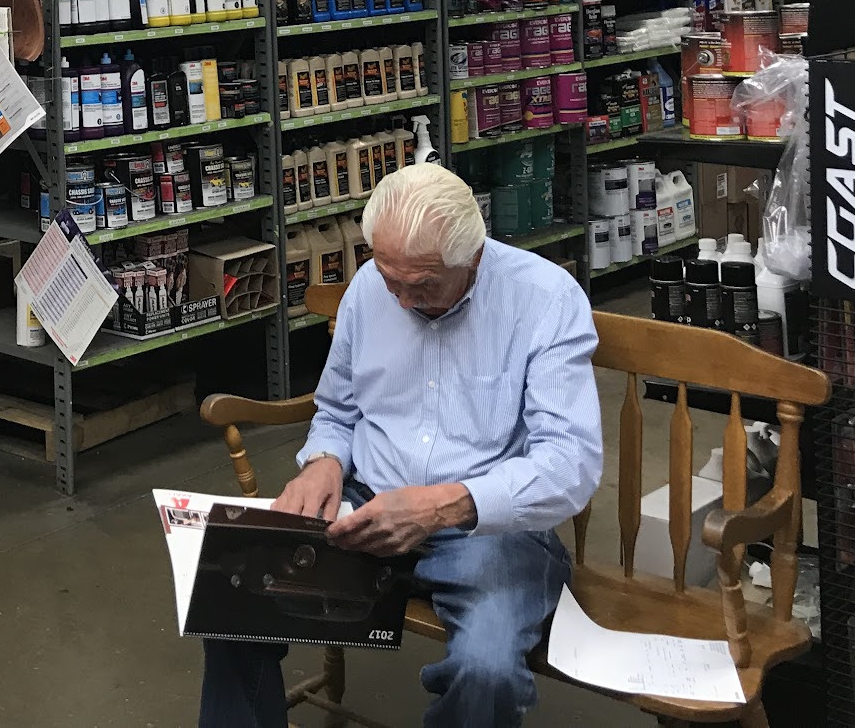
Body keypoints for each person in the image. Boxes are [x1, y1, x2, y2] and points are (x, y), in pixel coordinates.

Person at [199, 164, 602, 728]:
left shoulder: (543, 299)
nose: (405, 301)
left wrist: (442, 506)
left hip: (487, 527)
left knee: (486, 671)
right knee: (228, 600)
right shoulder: (372, 286)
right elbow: (338, 410)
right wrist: (323, 462)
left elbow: (570, 463)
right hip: (365, 507)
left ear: (474, 257)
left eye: (425, 285)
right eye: (393, 280)